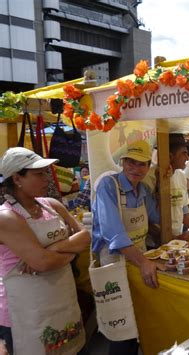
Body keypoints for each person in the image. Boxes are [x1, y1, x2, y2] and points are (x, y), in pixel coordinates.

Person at [0, 147, 90, 354]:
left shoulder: (52, 205)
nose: (47, 178)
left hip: (60, 298)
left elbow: (85, 236)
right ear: (17, 179)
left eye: (46, 172)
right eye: (38, 174)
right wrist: (69, 250)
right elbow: (42, 262)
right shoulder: (6, 217)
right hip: (24, 310)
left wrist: (54, 248)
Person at [92, 140, 160, 355]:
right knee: (121, 326)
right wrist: (143, 262)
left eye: (142, 164)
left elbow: (156, 217)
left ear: (149, 166)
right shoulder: (108, 186)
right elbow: (114, 233)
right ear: (122, 162)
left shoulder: (144, 190)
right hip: (114, 262)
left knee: (138, 320)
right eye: (130, 161)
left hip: (138, 259)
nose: (135, 168)